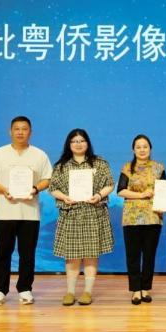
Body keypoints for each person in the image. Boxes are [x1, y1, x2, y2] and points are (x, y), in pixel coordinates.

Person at [0, 116, 52, 306]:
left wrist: (35, 189)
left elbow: (48, 179)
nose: (20, 132)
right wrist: (3, 189)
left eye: (24, 129)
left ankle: (25, 289)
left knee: (27, 254)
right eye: (17, 129)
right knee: (3, 253)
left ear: (31, 132)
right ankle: (0, 290)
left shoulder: (39, 155)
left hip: (30, 213)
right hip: (4, 213)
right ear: (10, 131)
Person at [49, 129, 115, 306]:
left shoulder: (99, 163)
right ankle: (70, 292)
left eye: (82, 140)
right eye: (74, 141)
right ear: (69, 144)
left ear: (87, 143)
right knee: (71, 256)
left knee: (91, 254)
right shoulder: (61, 166)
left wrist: (99, 196)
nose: (78, 144)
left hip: (93, 213)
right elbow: (53, 188)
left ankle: (87, 292)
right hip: (71, 213)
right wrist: (64, 197)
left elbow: (110, 184)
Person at [117, 134, 166, 305]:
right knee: (133, 255)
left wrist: (164, 204)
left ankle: (146, 288)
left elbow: (164, 191)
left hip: (153, 216)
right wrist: (142, 194)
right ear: (133, 149)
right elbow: (120, 190)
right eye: (138, 147)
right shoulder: (127, 167)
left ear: (150, 148)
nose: (142, 150)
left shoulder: (159, 168)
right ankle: (135, 290)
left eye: (145, 146)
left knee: (149, 255)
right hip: (131, 217)